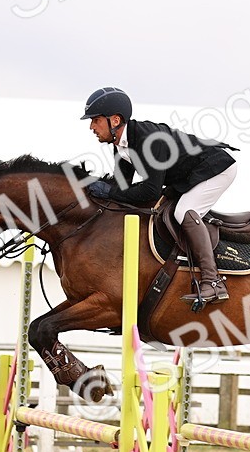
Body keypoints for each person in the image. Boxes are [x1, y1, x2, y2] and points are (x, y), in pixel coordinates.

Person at [81, 87, 237, 304]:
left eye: (95, 120)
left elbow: (150, 191)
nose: (91, 126)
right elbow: (121, 188)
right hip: (187, 175)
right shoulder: (121, 145)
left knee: (184, 212)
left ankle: (213, 281)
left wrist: (110, 191)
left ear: (115, 120)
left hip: (216, 168)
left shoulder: (148, 140)